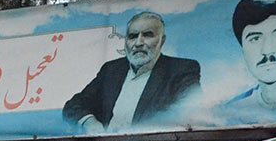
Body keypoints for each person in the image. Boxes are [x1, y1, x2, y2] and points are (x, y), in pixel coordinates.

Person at [63, 11, 201, 132]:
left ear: (162, 40)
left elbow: (190, 111)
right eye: (133, 36)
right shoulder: (111, 70)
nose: (138, 43)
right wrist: (89, 122)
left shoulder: (181, 69)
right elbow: (74, 105)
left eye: (147, 35)